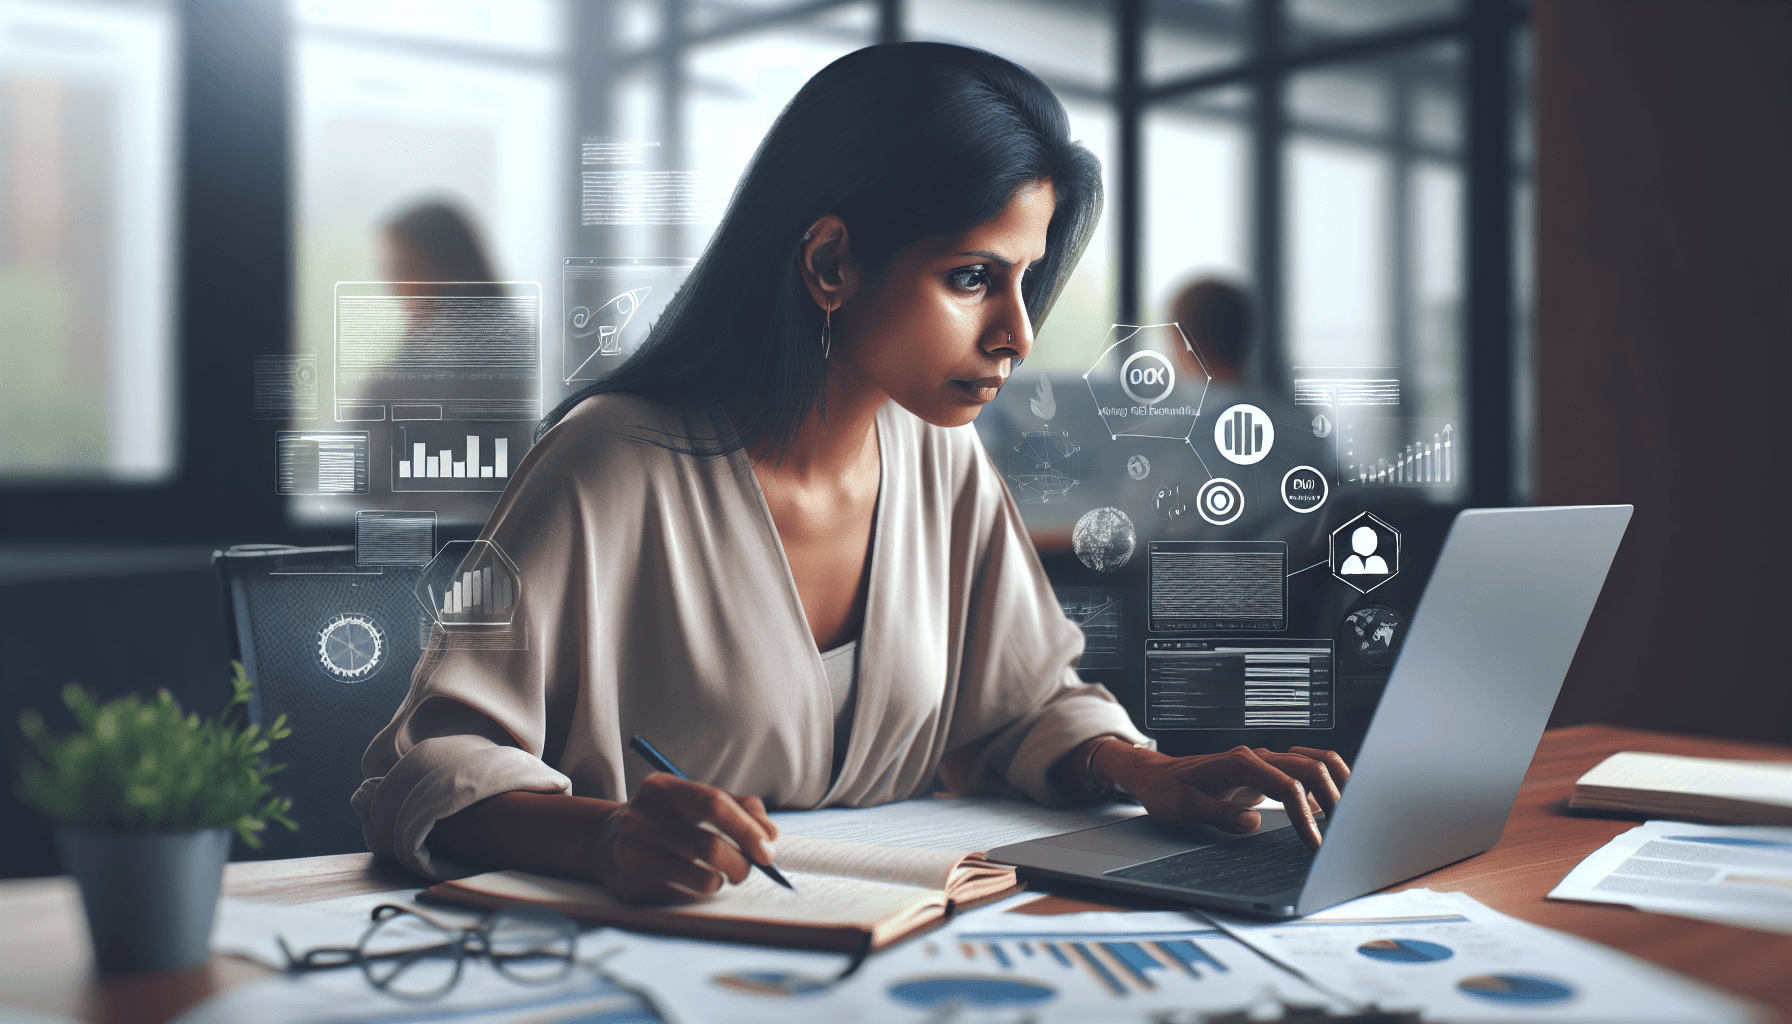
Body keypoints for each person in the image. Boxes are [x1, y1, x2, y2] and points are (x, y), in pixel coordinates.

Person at [353, 43, 1350, 906]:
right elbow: (425, 767)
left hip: (911, 945)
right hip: (659, 956)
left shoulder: (941, 455)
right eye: (971, 277)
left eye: (1023, 277)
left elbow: (1027, 702)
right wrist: (603, 838)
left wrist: (1150, 770)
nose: (1016, 332)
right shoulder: (610, 460)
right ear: (830, 264)